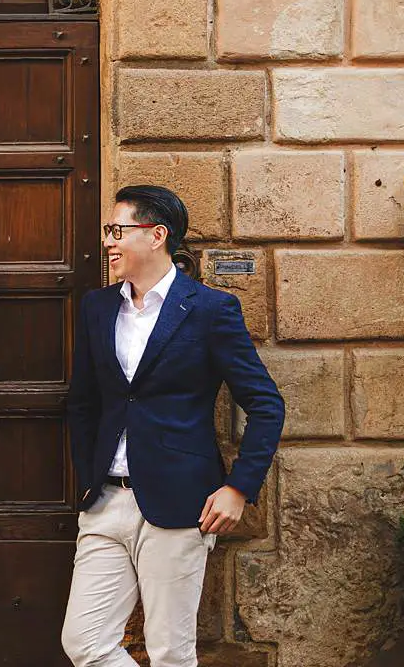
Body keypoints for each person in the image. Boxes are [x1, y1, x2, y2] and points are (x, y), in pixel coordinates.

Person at [62, 186, 284, 667]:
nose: (109, 243)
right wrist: (87, 476)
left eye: (118, 231)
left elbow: (265, 404)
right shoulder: (97, 307)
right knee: (85, 642)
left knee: (169, 652)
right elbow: (83, 402)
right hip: (105, 503)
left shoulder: (209, 310)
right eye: (109, 232)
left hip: (180, 502)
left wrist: (239, 489)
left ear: (157, 235)